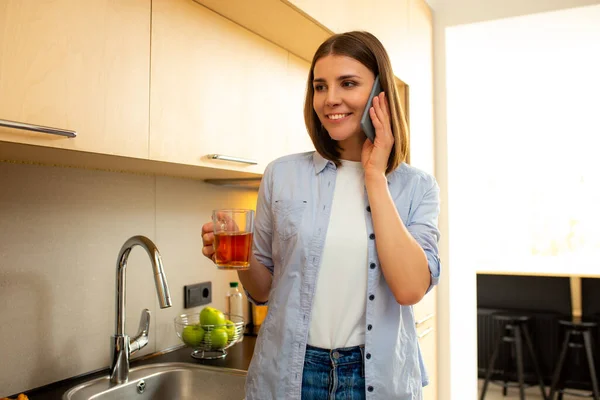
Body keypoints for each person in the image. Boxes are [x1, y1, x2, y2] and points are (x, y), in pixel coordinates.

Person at [202, 31, 441, 400]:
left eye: (348, 83)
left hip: (374, 379)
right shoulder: (281, 175)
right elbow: (262, 291)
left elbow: (410, 288)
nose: (330, 99)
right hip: (290, 374)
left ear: (380, 92)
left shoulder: (417, 187)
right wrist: (242, 253)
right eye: (319, 86)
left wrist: (374, 175)